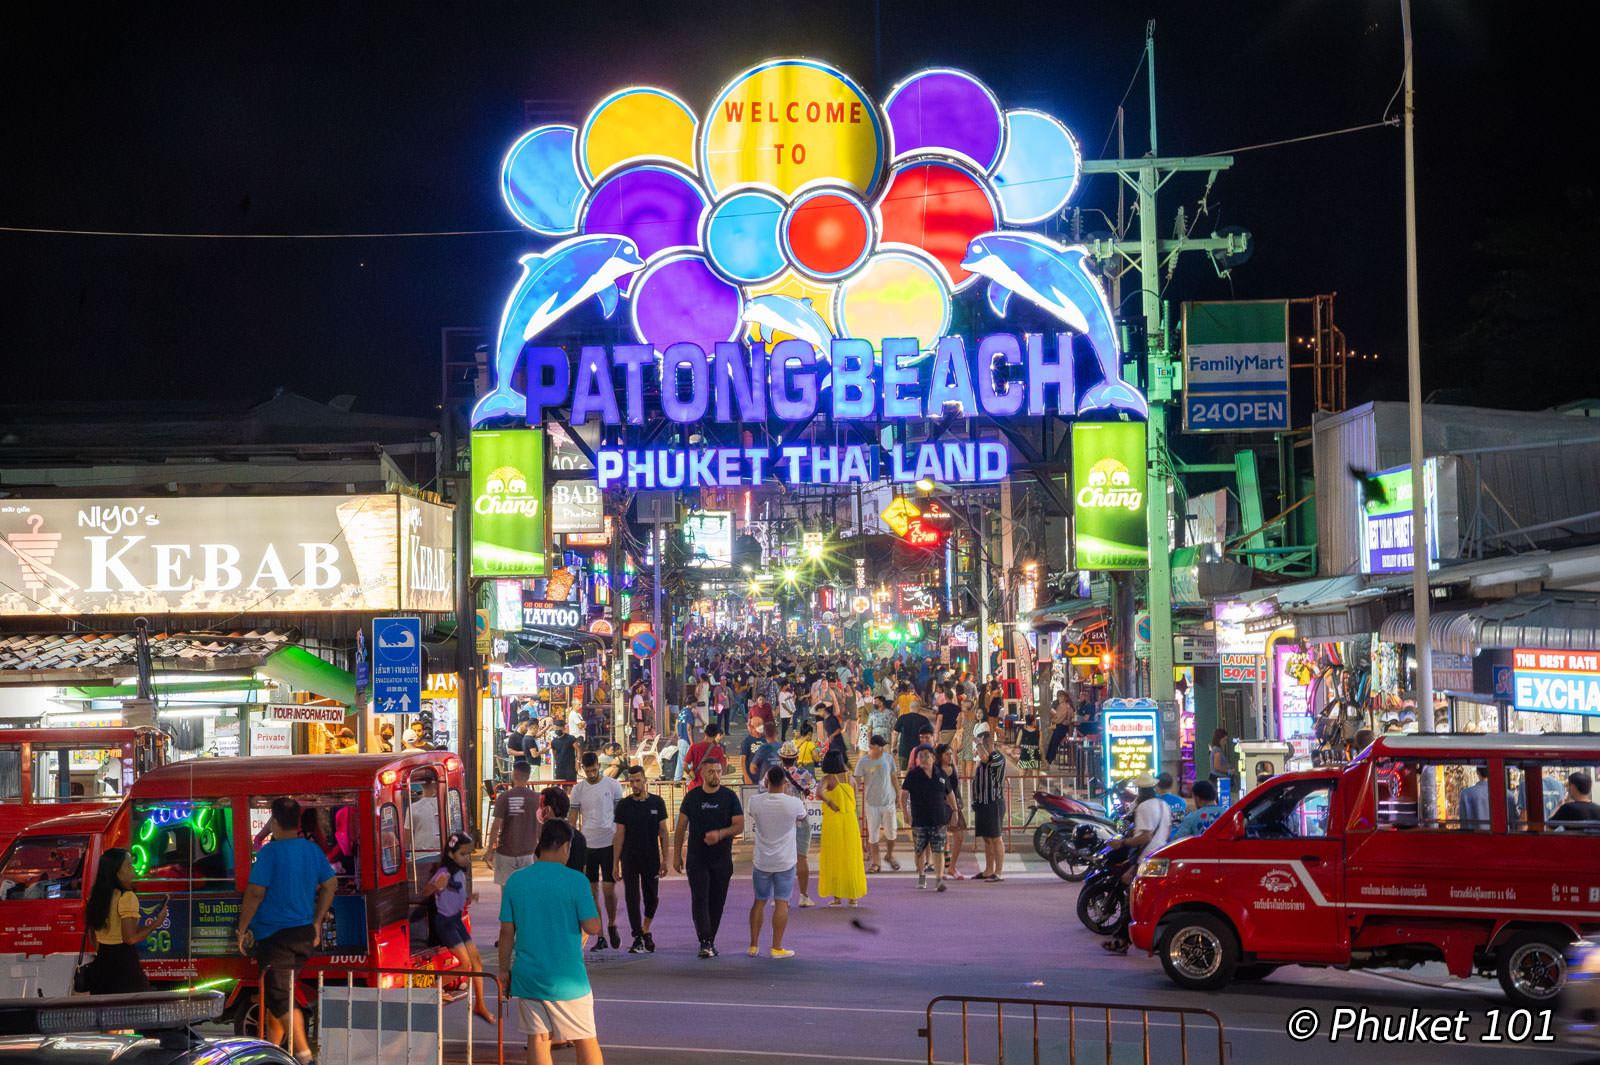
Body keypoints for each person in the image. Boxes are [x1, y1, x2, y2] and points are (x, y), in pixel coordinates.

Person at [238, 797, 336, 1064]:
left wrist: (242, 927)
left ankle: (304, 1057)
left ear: (275, 821)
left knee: (280, 997)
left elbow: (256, 892)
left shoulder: (271, 852)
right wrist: (316, 921)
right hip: (304, 935)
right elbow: (330, 884)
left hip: (276, 938)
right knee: (276, 997)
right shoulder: (311, 850)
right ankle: (271, 1052)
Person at [499, 819, 604, 1065]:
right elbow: (593, 927)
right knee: (585, 1038)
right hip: (568, 979)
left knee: (538, 1040)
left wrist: (503, 970)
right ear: (565, 845)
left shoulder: (516, 881)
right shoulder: (576, 881)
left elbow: (506, 933)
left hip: (529, 977)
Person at [673, 754, 744, 958]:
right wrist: (676, 855)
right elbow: (680, 828)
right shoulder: (692, 797)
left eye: (719, 771)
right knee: (700, 898)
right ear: (702, 773)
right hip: (697, 857)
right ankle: (705, 940)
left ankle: (710, 939)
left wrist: (720, 834)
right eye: (711, 771)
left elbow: (739, 824)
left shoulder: (729, 797)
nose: (716, 775)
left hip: (722, 859)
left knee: (717, 900)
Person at [422, 832, 495, 1023]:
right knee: (465, 964)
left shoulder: (459, 873)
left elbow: (459, 891)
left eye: (468, 854)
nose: (467, 858)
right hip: (445, 924)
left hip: (456, 921)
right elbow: (426, 891)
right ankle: (430, 989)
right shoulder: (444, 872)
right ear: (452, 854)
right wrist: (436, 886)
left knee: (476, 960)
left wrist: (470, 896)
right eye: (463, 854)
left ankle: (480, 1004)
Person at [1102, 774, 1172, 954]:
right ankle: (1125, 938)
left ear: (1140, 791)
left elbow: (1145, 836)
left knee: (1130, 899)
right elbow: (1166, 832)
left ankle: (1122, 940)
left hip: (1146, 860)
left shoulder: (1144, 807)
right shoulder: (1163, 805)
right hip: (1161, 857)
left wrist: (1123, 843)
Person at [745, 766, 808, 958]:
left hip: (762, 860)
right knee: (782, 903)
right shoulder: (794, 803)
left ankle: (754, 946)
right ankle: (776, 947)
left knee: (759, 901)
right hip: (785, 862)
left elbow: (751, 813)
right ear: (786, 782)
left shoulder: (755, 801)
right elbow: (802, 817)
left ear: (766, 782)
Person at [82, 847, 164, 994]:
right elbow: (130, 938)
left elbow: (93, 935)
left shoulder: (98, 897)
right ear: (117, 870)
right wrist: (156, 924)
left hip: (102, 967)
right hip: (125, 968)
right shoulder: (127, 897)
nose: (133, 868)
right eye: (129, 865)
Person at [611, 764, 669, 954]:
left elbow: (663, 832)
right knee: (632, 897)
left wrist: (665, 859)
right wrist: (615, 863)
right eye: (632, 781)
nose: (635, 784)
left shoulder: (657, 803)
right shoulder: (624, 805)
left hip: (651, 857)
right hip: (629, 858)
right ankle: (636, 936)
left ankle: (646, 929)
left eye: (638, 780)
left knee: (652, 897)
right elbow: (619, 834)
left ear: (645, 781)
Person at [571, 752, 625, 951]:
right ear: (582, 769)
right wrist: (572, 842)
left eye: (594, 770)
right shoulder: (578, 790)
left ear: (598, 766)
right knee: (592, 892)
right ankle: (600, 934)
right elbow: (572, 817)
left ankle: (612, 923)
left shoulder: (613, 785)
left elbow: (620, 817)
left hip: (609, 843)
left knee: (609, 890)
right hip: (588, 845)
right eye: (588, 771)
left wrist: (621, 845)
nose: (591, 774)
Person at [901, 745, 949, 892]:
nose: (922, 759)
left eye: (926, 756)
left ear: (933, 758)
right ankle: (922, 875)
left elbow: (949, 793)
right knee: (919, 850)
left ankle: (939, 879)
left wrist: (955, 811)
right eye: (920, 756)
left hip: (938, 818)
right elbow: (903, 796)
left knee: (939, 850)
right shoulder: (912, 775)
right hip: (919, 818)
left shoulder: (940, 773)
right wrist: (905, 814)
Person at [817, 764, 866, 906]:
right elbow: (855, 795)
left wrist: (829, 801)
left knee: (834, 857)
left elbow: (819, 792)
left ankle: (837, 897)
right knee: (850, 857)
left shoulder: (828, 778)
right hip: (850, 821)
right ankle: (853, 897)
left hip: (833, 822)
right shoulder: (850, 778)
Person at [777, 741, 819, 907]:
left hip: (780, 819)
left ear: (781, 757)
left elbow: (763, 787)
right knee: (801, 858)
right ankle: (803, 895)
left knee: (782, 859)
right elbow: (813, 785)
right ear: (795, 758)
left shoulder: (774, 774)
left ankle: (782, 897)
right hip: (800, 817)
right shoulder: (805, 774)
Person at [488, 762, 541, 887]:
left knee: (507, 893)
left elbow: (496, 826)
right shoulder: (536, 798)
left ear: (513, 775)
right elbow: (540, 827)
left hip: (506, 852)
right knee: (526, 892)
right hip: (528, 853)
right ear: (528, 776)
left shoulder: (504, 797)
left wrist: (490, 851)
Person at [853, 735, 900, 874]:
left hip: (888, 801)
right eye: (880, 746)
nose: (882, 749)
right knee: (873, 834)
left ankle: (889, 855)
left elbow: (893, 777)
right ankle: (876, 862)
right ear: (872, 747)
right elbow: (856, 780)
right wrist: (853, 798)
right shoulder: (863, 762)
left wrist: (898, 794)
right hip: (871, 803)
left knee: (892, 833)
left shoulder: (888, 758)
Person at [970, 725, 1007, 881]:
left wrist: (978, 744)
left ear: (989, 745)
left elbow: (985, 759)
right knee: (986, 837)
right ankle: (988, 870)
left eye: (983, 745)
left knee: (996, 837)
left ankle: (997, 872)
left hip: (994, 802)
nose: (980, 749)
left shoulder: (997, 757)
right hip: (982, 803)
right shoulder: (983, 759)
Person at [539, 786, 588, 874]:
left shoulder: (544, 835)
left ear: (547, 810)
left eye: (541, 807)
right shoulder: (579, 837)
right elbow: (583, 870)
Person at [936, 744, 967, 880]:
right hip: (940, 806)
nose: (950, 756)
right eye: (947, 754)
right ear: (940, 756)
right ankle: (940, 868)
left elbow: (955, 786)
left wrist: (956, 806)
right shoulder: (936, 770)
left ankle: (952, 867)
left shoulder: (952, 767)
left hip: (954, 806)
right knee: (940, 838)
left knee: (959, 835)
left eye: (950, 754)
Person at [682, 723, 724, 790]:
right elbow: (722, 767)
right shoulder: (718, 750)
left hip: (695, 787)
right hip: (711, 788)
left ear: (704, 732)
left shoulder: (694, 747)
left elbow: (685, 766)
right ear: (716, 735)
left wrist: (690, 773)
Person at [894, 701, 932, 771]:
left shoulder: (902, 718)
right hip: (919, 751)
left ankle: (904, 782)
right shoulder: (924, 720)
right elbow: (929, 736)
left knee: (903, 772)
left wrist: (893, 746)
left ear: (910, 708)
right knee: (919, 772)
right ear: (919, 709)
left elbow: (895, 733)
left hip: (903, 750)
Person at [1044, 691, 1075, 765]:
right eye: (1058, 696)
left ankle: (1048, 761)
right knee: (1052, 743)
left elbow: (1059, 719)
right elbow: (1057, 717)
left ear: (1065, 698)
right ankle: (1047, 760)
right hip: (1061, 727)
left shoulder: (1064, 706)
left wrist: (1053, 720)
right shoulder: (1063, 706)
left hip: (1062, 727)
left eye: (1061, 696)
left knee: (1053, 744)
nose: (1059, 698)